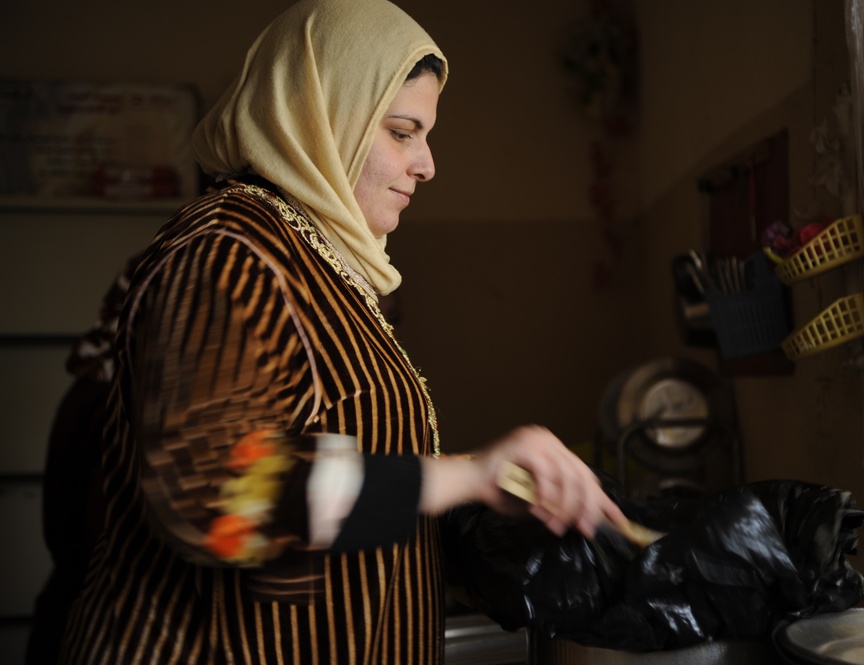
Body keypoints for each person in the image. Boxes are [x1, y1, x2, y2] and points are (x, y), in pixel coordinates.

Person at [57, 1, 627, 663]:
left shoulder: (319, 266)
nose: (427, 165)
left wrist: (486, 504)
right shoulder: (229, 254)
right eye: (402, 131)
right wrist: (463, 476)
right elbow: (211, 488)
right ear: (323, 122)